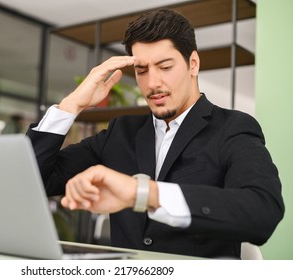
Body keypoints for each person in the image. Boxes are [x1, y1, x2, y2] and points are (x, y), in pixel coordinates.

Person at [26, 8, 284, 259]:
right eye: (142, 71)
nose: (152, 84)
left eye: (165, 66)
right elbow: (34, 179)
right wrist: (73, 105)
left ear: (193, 64)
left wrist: (143, 193)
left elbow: (262, 211)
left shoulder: (232, 127)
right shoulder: (121, 132)